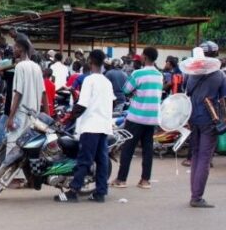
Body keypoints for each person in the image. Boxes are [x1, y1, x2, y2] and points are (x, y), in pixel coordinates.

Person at [182, 44, 226, 206]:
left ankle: (195, 194)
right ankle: (197, 197)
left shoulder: (190, 75)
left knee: (196, 156)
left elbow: (184, 95)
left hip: (193, 118)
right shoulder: (220, 75)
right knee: (204, 159)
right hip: (210, 119)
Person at [57, 50, 114, 203]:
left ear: (90, 62)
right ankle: (100, 192)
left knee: (84, 159)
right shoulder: (107, 82)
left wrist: (67, 119)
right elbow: (112, 102)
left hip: (90, 125)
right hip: (104, 126)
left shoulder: (89, 80)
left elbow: (81, 105)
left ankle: (74, 191)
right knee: (102, 159)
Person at [112, 47, 163, 189]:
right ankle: (145, 180)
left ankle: (121, 179)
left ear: (145, 57)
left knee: (128, 148)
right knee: (148, 149)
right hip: (152, 117)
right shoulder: (159, 75)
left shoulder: (138, 73)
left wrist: (135, 92)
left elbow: (126, 89)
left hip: (136, 116)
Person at [6, 35, 45, 137]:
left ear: (21, 49)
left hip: (20, 117)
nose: (13, 50)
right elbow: (44, 93)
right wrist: (47, 117)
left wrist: (10, 118)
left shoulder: (20, 66)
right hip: (34, 118)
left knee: (13, 149)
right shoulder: (37, 67)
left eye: (15, 47)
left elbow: (18, 93)